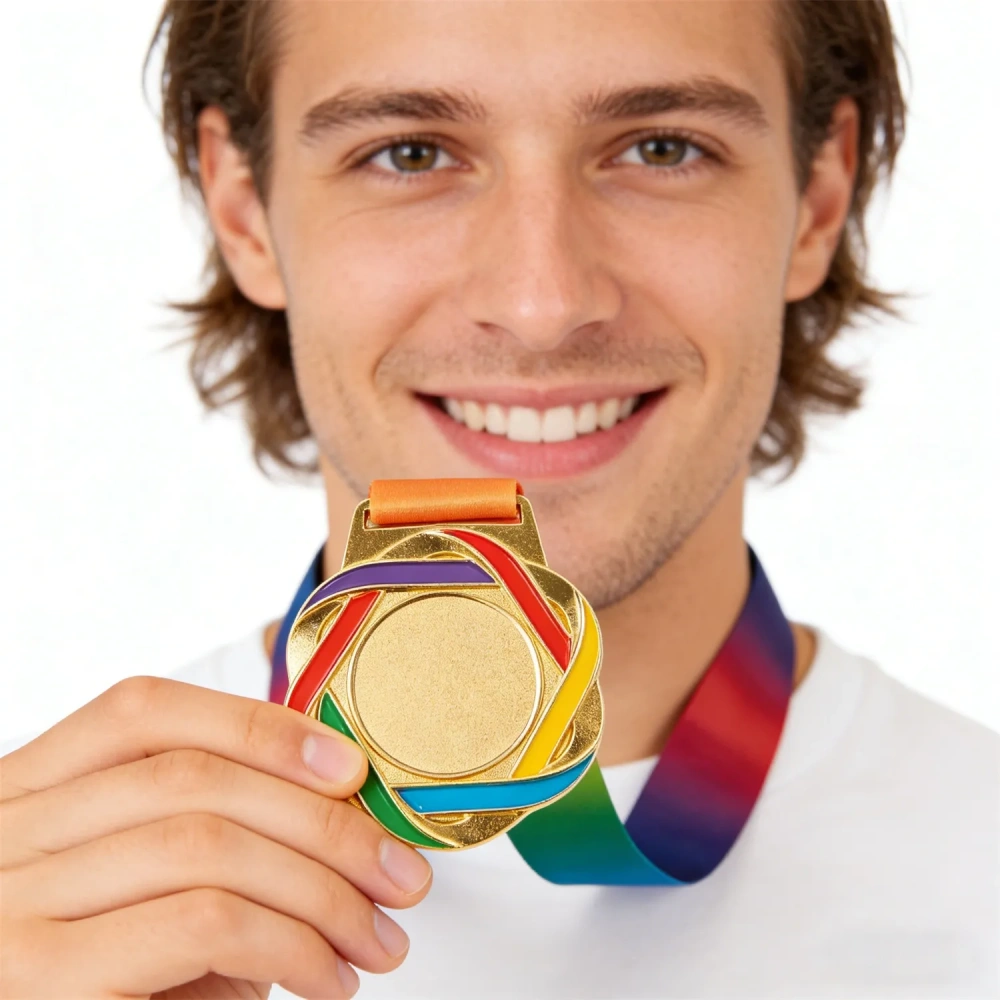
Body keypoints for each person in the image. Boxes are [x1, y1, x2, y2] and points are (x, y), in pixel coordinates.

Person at [2, 1, 997, 998]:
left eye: (661, 148)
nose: (541, 303)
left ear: (818, 197)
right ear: (241, 207)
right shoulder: (43, 902)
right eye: (409, 155)